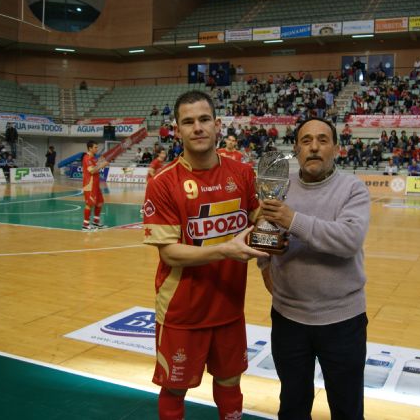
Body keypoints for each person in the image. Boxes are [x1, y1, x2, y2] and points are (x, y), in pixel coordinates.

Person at [142, 90, 268, 420]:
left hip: (229, 306)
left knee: (230, 382)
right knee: (174, 387)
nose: (197, 127)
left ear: (217, 125)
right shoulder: (163, 183)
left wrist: (273, 227)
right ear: (177, 130)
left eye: (203, 119)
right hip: (182, 311)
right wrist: (225, 249)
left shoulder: (242, 174)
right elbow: (169, 253)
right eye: (188, 122)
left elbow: (261, 221)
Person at [257, 117, 370, 420]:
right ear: (296, 149)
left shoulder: (352, 189)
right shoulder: (280, 186)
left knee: (347, 409)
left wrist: (292, 220)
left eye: (322, 140)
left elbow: (348, 240)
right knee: (292, 406)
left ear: (336, 148)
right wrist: (265, 264)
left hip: (343, 321)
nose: (315, 147)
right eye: (306, 141)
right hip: (288, 320)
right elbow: (263, 234)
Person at [82, 140, 109, 231]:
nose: (97, 149)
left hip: (96, 185)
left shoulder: (93, 158)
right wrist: (102, 165)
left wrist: (101, 162)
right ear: (90, 148)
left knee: (100, 202)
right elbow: (92, 170)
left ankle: (96, 222)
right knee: (89, 204)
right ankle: (85, 225)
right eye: (95, 147)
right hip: (89, 185)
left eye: (97, 147)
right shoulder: (87, 158)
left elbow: (96, 167)